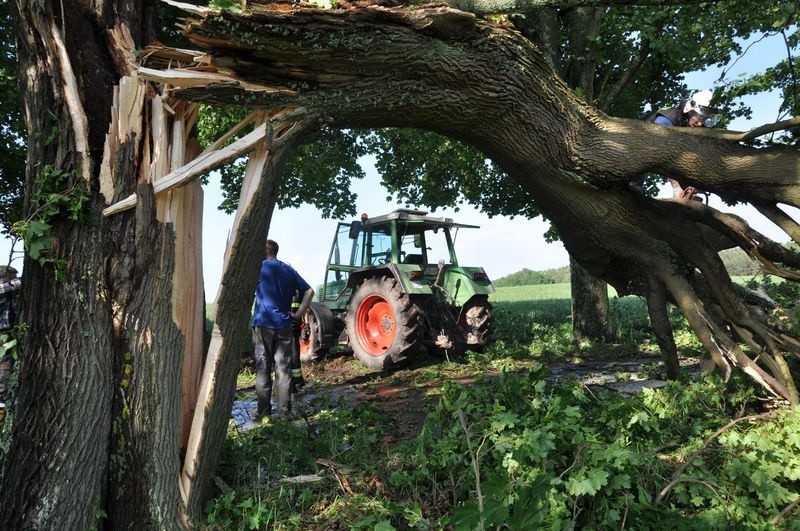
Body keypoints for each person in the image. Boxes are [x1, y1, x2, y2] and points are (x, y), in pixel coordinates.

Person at [251, 240, 314, 419]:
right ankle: (284, 412)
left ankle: (263, 411)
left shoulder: (259, 268)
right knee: (283, 368)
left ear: (265, 251)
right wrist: (298, 313)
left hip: (263, 324)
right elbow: (309, 291)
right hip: (284, 324)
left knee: (263, 367)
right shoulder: (288, 270)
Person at [643, 89, 721, 199]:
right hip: (638, 148)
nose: (700, 123)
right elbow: (663, 152)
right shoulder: (667, 119)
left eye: (705, 119)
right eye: (699, 118)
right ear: (690, 111)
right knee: (633, 186)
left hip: (664, 150)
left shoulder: (695, 126)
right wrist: (676, 186)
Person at [0, 265, 22, 414]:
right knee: (3, 371)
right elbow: (12, 286)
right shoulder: (3, 288)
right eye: (11, 276)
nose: (13, 279)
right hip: (2, 337)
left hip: (9, 335)